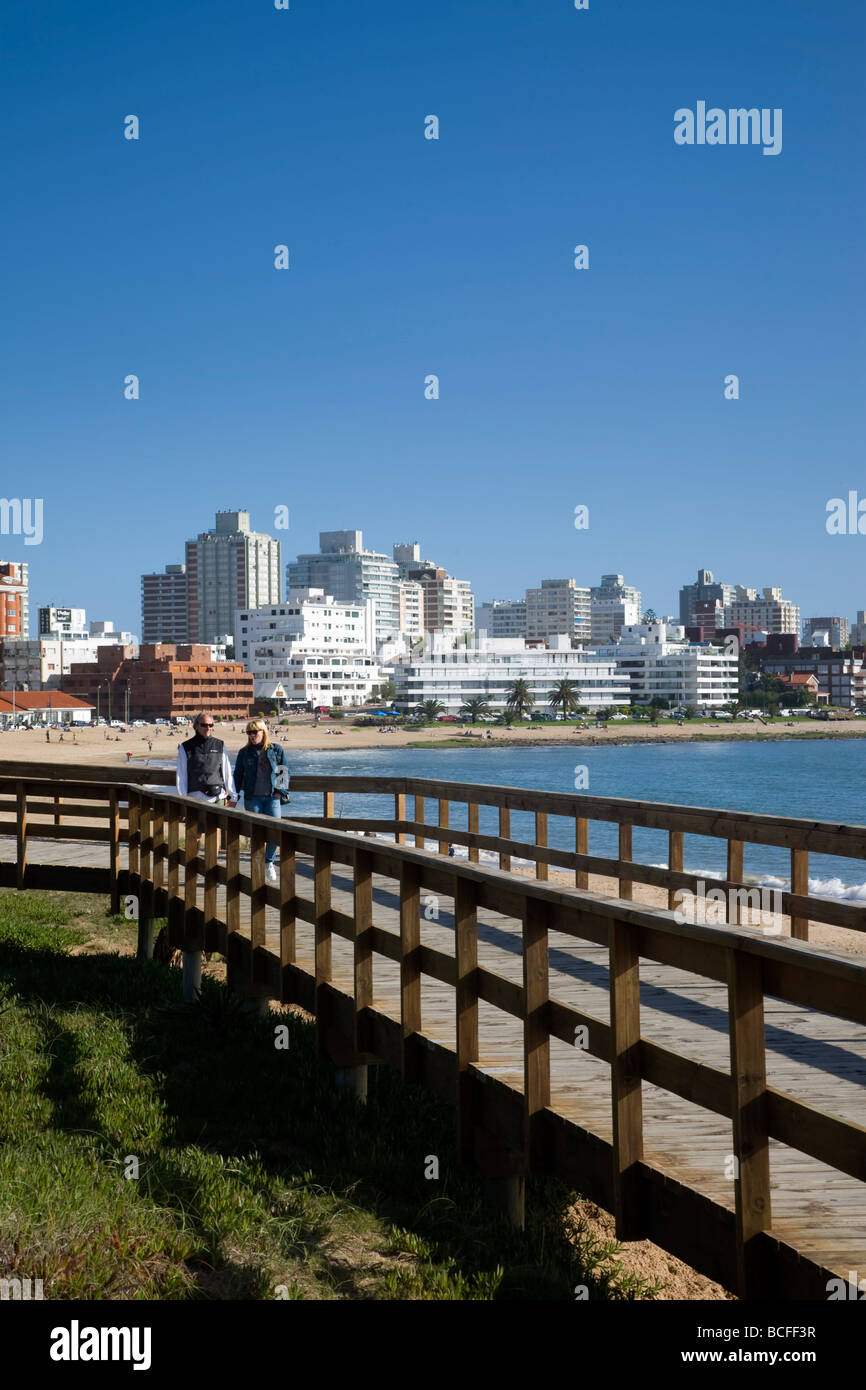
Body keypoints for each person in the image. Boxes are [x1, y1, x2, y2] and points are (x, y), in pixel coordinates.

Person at [233, 718, 291, 883]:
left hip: (272, 798)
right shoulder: (244, 752)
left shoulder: (276, 750)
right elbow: (237, 775)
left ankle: (268, 862)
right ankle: (257, 866)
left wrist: (280, 792)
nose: (252, 736)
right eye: (249, 732)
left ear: (263, 732)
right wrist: (233, 795)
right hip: (253, 798)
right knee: (257, 834)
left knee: (276, 831)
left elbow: (283, 771)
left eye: (254, 732)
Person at [176, 713, 237, 807]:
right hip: (194, 799)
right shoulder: (185, 747)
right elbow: (181, 776)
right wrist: (183, 802)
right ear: (196, 725)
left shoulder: (220, 745)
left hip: (218, 798)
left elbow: (227, 772)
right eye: (204, 725)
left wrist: (233, 796)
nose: (208, 728)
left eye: (210, 725)